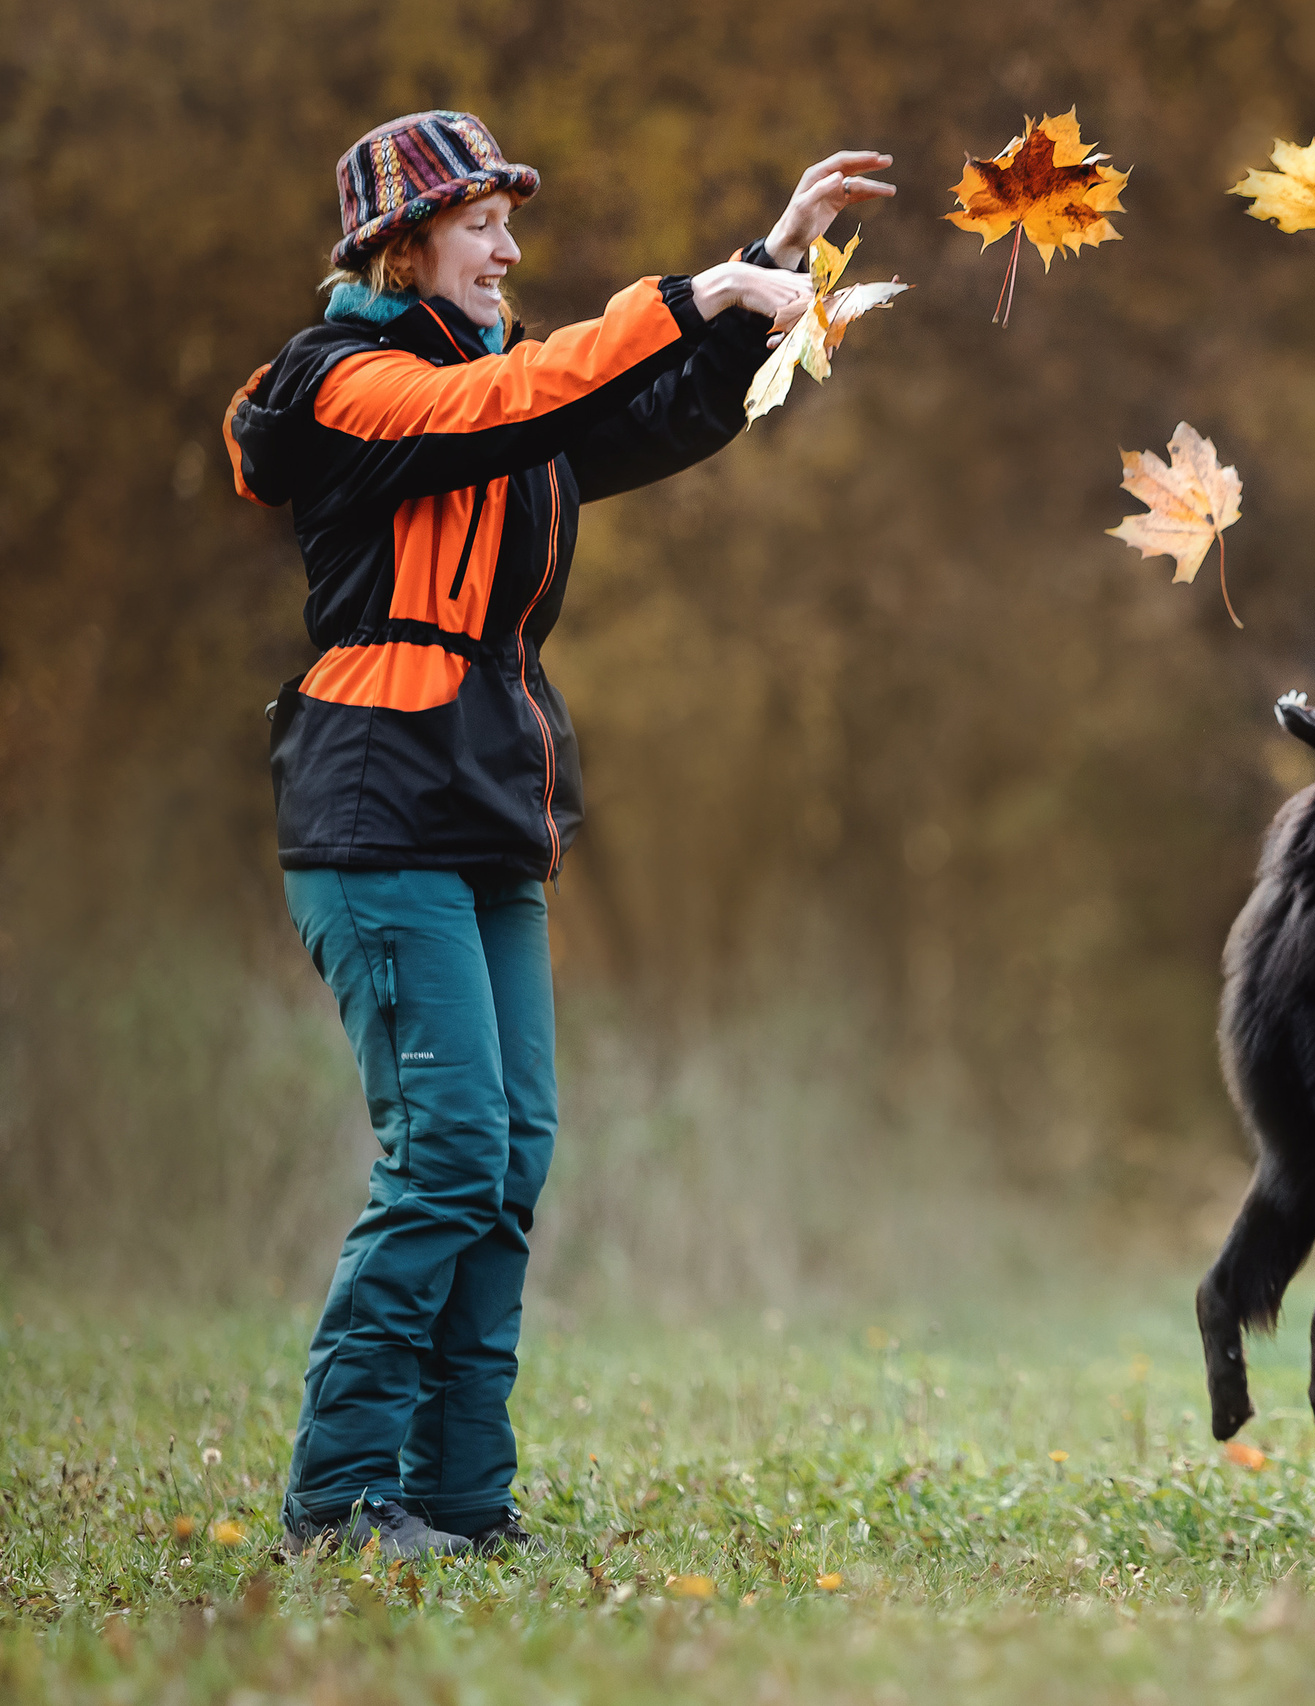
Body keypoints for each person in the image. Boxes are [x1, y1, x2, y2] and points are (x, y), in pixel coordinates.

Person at [223, 110, 893, 1559]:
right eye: (482, 226)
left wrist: (772, 260)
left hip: (485, 803)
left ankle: (461, 1500)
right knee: (450, 1147)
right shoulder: (344, 384)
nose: (509, 249)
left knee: (513, 1152)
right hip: (376, 800)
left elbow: (658, 411)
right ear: (402, 248)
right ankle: (340, 1498)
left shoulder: (503, 397)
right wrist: (700, 289)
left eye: (509, 224)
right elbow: (519, 396)